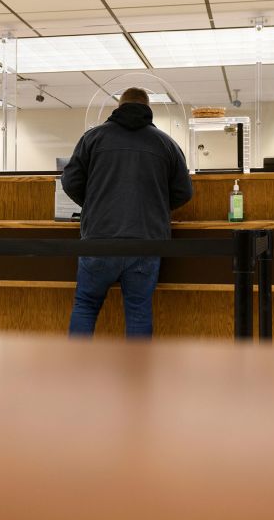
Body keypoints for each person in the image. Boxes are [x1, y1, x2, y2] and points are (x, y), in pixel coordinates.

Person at [61, 87, 193, 338]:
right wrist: (155, 206)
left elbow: (70, 182)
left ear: (118, 106)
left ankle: (75, 368)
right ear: (148, 108)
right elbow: (184, 192)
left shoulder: (93, 138)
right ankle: (137, 373)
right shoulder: (166, 144)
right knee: (139, 311)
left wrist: (93, 205)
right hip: (146, 242)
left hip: (99, 240)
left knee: (86, 306)